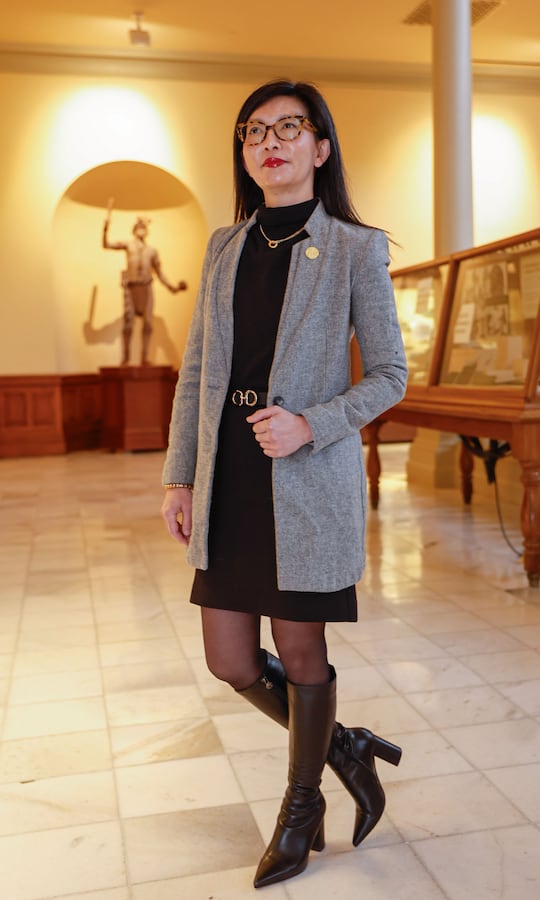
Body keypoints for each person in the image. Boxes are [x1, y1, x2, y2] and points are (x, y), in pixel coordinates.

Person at [161, 79, 408, 889]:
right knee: (230, 659)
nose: (271, 142)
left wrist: (313, 423)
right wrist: (181, 474)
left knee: (301, 650)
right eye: (254, 132)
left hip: (303, 477)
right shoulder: (224, 245)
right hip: (231, 475)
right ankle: (343, 745)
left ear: (320, 148)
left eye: (289, 128)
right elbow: (198, 368)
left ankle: (303, 807)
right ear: (245, 153)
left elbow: (391, 376)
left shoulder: (353, 247)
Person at [102, 203, 187, 365]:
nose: (141, 229)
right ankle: (126, 358)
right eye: (139, 226)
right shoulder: (128, 244)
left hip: (146, 287)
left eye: (144, 227)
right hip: (131, 287)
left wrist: (172, 287)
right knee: (128, 322)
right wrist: (106, 225)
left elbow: (160, 272)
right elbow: (106, 244)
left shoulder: (152, 251)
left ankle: (144, 357)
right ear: (134, 229)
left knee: (148, 323)